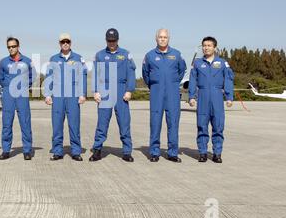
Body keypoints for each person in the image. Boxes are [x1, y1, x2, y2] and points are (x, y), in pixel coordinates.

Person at [91, 28, 136, 162]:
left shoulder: (125, 54)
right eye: (109, 40)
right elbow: (95, 74)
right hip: (104, 90)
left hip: (121, 90)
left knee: (124, 122)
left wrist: (129, 90)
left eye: (114, 40)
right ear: (106, 40)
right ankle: (97, 150)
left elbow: (131, 73)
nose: (111, 43)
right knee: (102, 123)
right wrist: (95, 91)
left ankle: (127, 152)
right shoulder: (99, 55)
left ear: (118, 40)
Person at [142, 29, 187, 163]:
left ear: (169, 39)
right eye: (160, 37)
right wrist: (154, 84)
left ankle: (172, 152)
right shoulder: (149, 55)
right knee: (155, 122)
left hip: (172, 93)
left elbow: (182, 70)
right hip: (156, 92)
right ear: (156, 38)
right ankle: (154, 152)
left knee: (173, 122)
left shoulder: (177, 54)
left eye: (165, 37)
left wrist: (173, 82)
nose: (162, 39)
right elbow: (145, 74)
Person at [188, 36, 234, 163]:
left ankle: (217, 153)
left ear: (214, 47)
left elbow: (228, 80)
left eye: (209, 45)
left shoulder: (223, 63)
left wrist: (229, 97)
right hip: (202, 96)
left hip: (217, 96)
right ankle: (202, 152)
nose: (206, 48)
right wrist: (191, 96)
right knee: (202, 126)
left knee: (218, 126)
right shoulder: (197, 63)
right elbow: (193, 80)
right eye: (204, 45)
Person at [44, 33, 87, 161]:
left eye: (67, 41)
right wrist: (47, 94)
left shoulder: (79, 58)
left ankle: (75, 151)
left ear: (71, 43)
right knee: (57, 125)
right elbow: (49, 77)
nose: (65, 44)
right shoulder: (53, 59)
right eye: (63, 42)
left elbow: (82, 77)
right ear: (59, 43)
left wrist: (82, 94)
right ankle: (57, 151)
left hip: (73, 97)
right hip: (58, 97)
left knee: (74, 124)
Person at [0, 37, 36, 160]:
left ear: (18, 46)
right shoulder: (3, 62)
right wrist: (7, 87)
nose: (11, 49)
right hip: (8, 93)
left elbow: (33, 76)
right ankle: (6, 150)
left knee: (25, 122)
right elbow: (0, 77)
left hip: (22, 94)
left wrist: (24, 85)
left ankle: (27, 150)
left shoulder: (28, 61)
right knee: (7, 123)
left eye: (13, 46)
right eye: (9, 47)